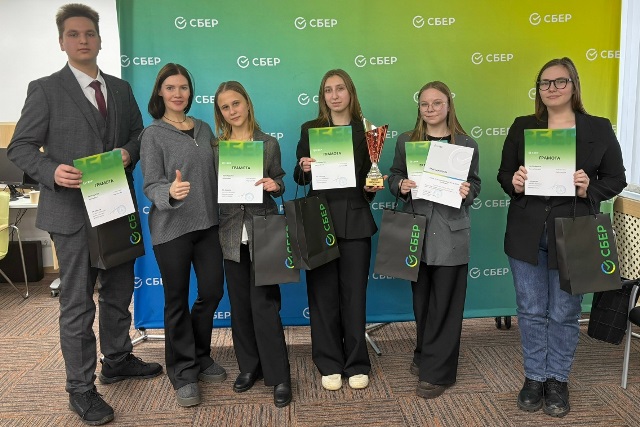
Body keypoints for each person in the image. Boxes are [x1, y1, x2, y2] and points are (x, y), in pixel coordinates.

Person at [7, 4, 162, 425]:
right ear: (61, 42)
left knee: (118, 291)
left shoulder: (121, 89)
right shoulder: (45, 89)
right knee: (77, 303)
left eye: (89, 33)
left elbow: (138, 133)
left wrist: (128, 151)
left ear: (99, 39)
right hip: (71, 213)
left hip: (115, 207)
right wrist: (51, 171)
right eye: (73, 34)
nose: (82, 40)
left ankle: (117, 359)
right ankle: (80, 388)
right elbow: (20, 147)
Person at [497, 57, 626, 417]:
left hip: (575, 233)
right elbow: (504, 173)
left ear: (574, 85)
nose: (551, 88)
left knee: (565, 312)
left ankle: (557, 379)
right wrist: (514, 182)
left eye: (560, 81)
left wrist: (589, 188)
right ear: (538, 89)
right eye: (545, 82)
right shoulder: (523, 126)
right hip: (527, 233)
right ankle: (534, 377)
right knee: (531, 310)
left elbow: (616, 178)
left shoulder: (598, 128)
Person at [140, 63, 226, 407]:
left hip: (208, 226)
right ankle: (183, 372)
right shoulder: (152, 134)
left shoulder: (204, 128)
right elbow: (151, 184)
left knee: (212, 292)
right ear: (160, 93)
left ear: (191, 92)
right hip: (171, 229)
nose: (178, 94)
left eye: (184, 87)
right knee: (175, 300)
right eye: (170, 87)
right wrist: (170, 193)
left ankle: (200, 355)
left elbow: (222, 171)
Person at [388, 81, 480, 399]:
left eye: (437, 103)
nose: (430, 109)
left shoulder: (466, 144)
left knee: (446, 306)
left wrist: (468, 191)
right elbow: (394, 175)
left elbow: (475, 184)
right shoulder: (406, 141)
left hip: (451, 235)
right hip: (417, 233)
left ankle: (438, 373)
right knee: (423, 302)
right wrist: (400, 185)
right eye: (425, 104)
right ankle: (424, 353)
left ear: (448, 105)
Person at [294, 69, 384, 391]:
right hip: (318, 219)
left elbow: (371, 184)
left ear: (350, 93)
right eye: (328, 90)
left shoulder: (369, 131)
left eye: (340, 88)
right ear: (323, 97)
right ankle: (329, 363)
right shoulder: (310, 129)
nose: (334, 95)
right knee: (322, 296)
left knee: (354, 296)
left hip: (355, 220)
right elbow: (300, 177)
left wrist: (373, 185)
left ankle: (357, 363)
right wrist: (304, 168)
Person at [212, 81, 292, 407]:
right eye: (225, 107)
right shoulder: (217, 148)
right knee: (240, 305)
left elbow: (281, 180)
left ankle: (279, 376)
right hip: (230, 233)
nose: (232, 111)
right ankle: (249, 367)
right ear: (220, 113)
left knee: (265, 306)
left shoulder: (268, 144)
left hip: (264, 230)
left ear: (247, 103)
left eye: (236, 103)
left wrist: (276, 185)